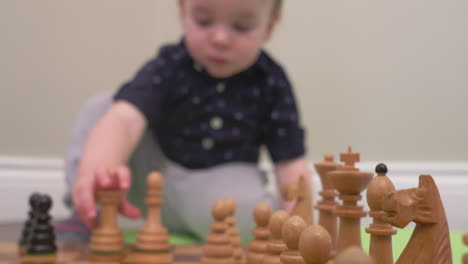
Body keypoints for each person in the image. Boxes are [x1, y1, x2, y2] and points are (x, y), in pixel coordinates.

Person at [56, 0, 311, 243]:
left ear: (270, 25)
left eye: (241, 27)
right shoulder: (169, 65)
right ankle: (90, 209)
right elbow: (126, 120)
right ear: (182, 11)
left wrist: (301, 222)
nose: (220, 39)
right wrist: (101, 170)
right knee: (104, 108)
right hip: (154, 178)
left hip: (219, 196)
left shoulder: (271, 82)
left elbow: (290, 160)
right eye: (203, 21)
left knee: (259, 214)